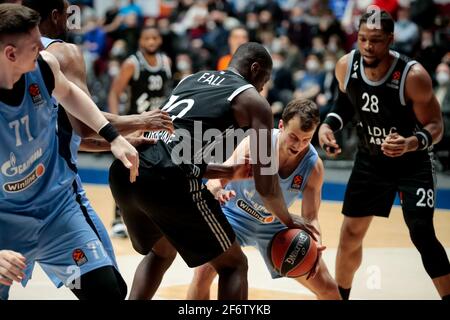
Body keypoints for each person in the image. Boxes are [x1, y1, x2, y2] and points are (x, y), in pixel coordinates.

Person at [109, 42, 319, 300]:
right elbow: (266, 184)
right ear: (255, 68)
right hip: (165, 179)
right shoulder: (255, 102)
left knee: (161, 251)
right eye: (264, 79)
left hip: (125, 170)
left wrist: (227, 171)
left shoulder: (192, 79)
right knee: (234, 265)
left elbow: (174, 147)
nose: (263, 87)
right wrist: (288, 219)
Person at [0, 3, 138, 300]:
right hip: (4, 222)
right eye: (35, 44)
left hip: (56, 212)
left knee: (107, 292)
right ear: (10, 54)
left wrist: (112, 136)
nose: (43, 47)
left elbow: (71, 94)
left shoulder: (44, 65)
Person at [318, 9, 450, 300]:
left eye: (375, 40)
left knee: (422, 234)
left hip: (412, 163)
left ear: (390, 40)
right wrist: (328, 124)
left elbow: (436, 126)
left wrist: (410, 142)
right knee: (349, 234)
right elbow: (344, 104)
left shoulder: (413, 75)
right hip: (370, 161)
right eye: (362, 39)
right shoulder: (345, 65)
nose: (367, 46)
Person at [187, 99, 341, 300]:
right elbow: (215, 181)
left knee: (328, 288)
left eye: (306, 139)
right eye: (293, 137)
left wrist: (317, 246)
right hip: (233, 216)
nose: (299, 145)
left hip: (276, 225)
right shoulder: (256, 144)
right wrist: (218, 192)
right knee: (202, 274)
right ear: (280, 126)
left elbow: (310, 217)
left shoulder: (314, 166)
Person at [108, 25, 172, 237]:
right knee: (126, 170)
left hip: (156, 126)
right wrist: (118, 126)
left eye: (155, 37)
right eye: (147, 38)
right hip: (135, 125)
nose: (151, 42)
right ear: (140, 41)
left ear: (159, 40)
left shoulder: (166, 62)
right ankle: (118, 218)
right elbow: (114, 93)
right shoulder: (132, 63)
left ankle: (151, 216)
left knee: (156, 171)